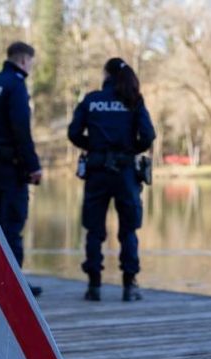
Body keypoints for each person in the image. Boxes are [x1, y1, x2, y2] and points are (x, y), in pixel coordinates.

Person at [67, 58, 155, 302]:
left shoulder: (91, 100)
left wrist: (94, 147)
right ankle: (130, 286)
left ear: (106, 74)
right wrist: (130, 149)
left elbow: (73, 133)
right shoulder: (133, 100)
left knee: (94, 229)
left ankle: (94, 286)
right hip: (125, 172)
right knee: (128, 229)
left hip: (97, 172)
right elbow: (148, 136)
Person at [0, 41, 43, 297]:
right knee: (12, 224)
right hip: (10, 166)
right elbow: (21, 129)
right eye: (31, 63)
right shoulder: (16, 85)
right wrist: (33, 165)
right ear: (25, 60)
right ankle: (12, 287)